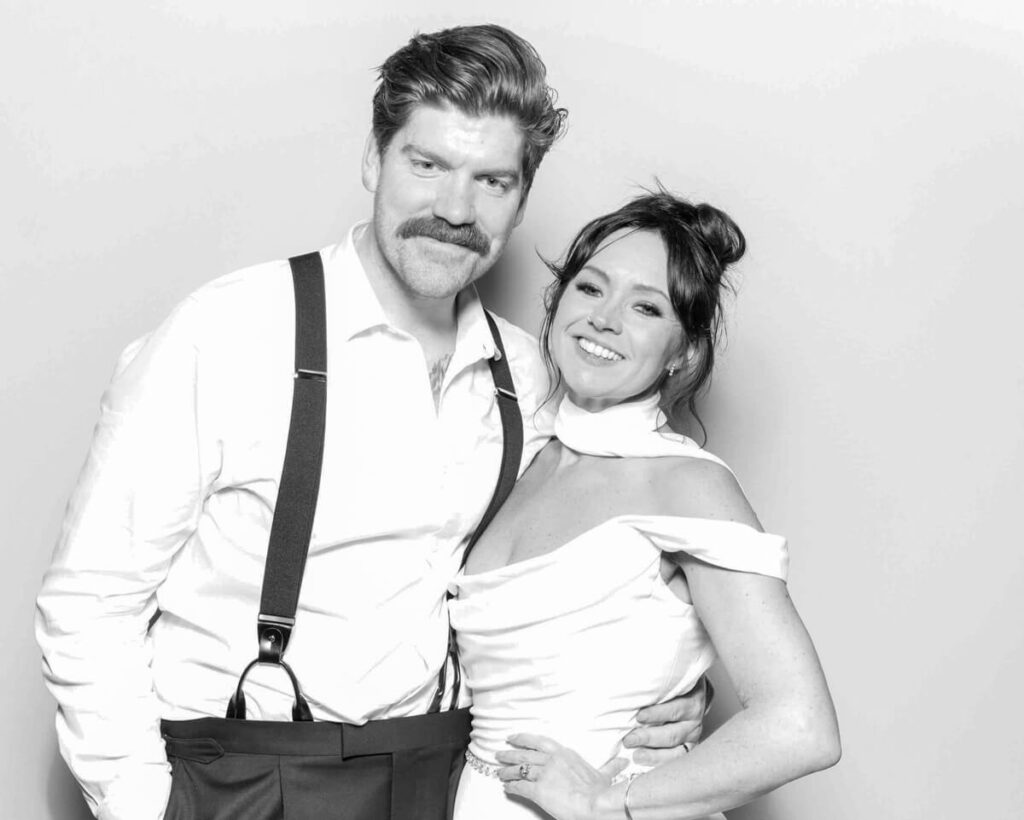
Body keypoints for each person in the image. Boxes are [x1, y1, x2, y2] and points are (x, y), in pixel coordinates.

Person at [35, 25, 704, 820]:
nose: (454, 209)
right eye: (428, 166)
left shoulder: (529, 374)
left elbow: (583, 570)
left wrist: (669, 687)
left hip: (440, 777)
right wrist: (144, 806)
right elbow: (90, 597)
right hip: (245, 776)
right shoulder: (231, 330)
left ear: (521, 200)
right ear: (372, 160)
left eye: (491, 181)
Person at [448, 190, 841, 820]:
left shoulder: (686, 484)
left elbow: (800, 725)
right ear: (559, 301)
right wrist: (691, 687)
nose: (605, 319)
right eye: (591, 288)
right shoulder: (521, 454)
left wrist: (609, 800)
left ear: (682, 351)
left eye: (646, 307)